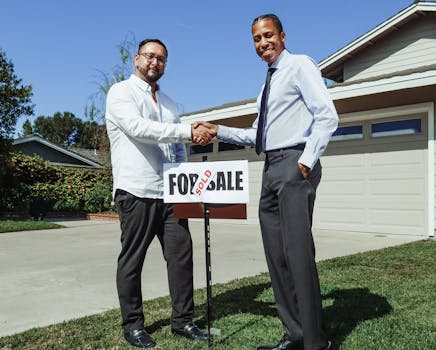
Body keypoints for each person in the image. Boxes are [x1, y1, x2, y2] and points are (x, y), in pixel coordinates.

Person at [195, 14, 337, 350]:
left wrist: (305, 161)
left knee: (298, 254)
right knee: (277, 255)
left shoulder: (300, 65)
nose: (263, 44)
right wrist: (220, 130)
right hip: (271, 167)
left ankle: (316, 343)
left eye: (268, 35)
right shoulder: (266, 85)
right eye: (257, 39)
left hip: (293, 164)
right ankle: (295, 334)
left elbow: (327, 116)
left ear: (283, 36)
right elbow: (257, 134)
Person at [105, 38, 212, 348]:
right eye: (150, 56)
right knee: (132, 260)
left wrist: (184, 180)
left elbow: (176, 148)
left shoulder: (169, 103)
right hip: (136, 190)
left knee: (181, 256)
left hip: (171, 193)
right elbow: (140, 129)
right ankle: (133, 324)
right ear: (137, 59)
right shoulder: (120, 93)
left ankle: (183, 321)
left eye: (162, 59)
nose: (155, 62)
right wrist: (187, 130)